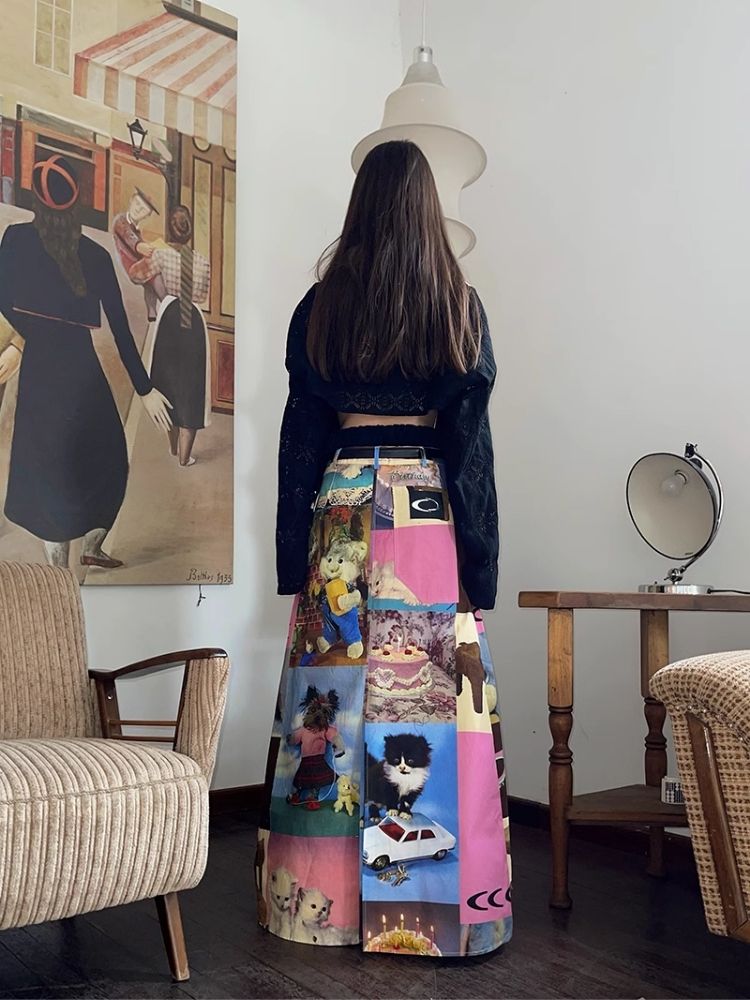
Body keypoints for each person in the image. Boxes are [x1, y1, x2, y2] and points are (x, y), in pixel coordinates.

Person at [256, 141, 511, 958]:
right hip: (423, 509)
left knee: (329, 700)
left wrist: (292, 556)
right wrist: (481, 564)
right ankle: (432, 914)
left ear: (359, 205)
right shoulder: (457, 304)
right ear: (428, 209)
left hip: (340, 502)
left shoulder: (320, 306)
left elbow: (300, 438)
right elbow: (469, 447)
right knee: (428, 702)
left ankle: (319, 908)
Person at [0, 154, 172, 569]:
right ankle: (63, 570)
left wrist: (25, 336)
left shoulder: (16, 239)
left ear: (36, 201)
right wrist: (145, 388)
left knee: (68, 464)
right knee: (95, 461)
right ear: (77, 204)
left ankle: (84, 554)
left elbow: (4, 301)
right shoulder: (93, 255)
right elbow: (121, 329)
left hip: (45, 367)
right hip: (77, 367)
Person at [137, 205, 211, 467]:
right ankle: (184, 456)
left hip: (169, 319)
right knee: (191, 388)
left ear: (170, 229)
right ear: (190, 232)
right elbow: (202, 295)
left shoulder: (160, 255)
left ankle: (171, 447)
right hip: (194, 322)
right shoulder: (202, 261)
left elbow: (138, 276)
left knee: (169, 385)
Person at [112, 188, 166, 321]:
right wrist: (139, 246)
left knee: (150, 279)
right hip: (128, 264)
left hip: (136, 263)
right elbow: (128, 235)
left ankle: (152, 313)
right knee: (155, 271)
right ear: (131, 201)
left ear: (147, 216)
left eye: (143, 210)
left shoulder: (137, 230)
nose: (138, 209)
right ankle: (166, 302)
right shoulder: (121, 220)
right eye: (137, 204)